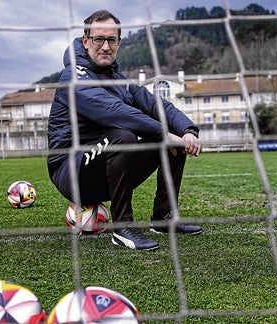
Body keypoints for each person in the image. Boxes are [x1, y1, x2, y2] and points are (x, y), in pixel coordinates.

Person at [47, 10, 202, 251]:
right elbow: (115, 112)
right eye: (99, 39)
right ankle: (123, 228)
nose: (105, 46)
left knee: (175, 140)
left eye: (112, 40)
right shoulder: (73, 77)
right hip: (71, 170)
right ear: (86, 41)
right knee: (125, 136)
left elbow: (155, 104)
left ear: (119, 43)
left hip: (106, 168)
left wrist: (187, 130)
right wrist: (164, 135)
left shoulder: (119, 80)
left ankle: (162, 218)